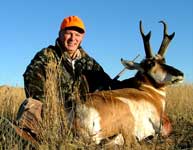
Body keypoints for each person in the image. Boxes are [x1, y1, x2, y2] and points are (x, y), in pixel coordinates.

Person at [23, 15, 116, 109]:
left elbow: (110, 86)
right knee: (31, 106)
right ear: (60, 34)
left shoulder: (90, 63)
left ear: (82, 38)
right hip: (53, 112)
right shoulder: (46, 57)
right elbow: (32, 85)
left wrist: (130, 82)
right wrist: (58, 109)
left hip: (83, 115)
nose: (73, 38)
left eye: (77, 35)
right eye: (69, 33)